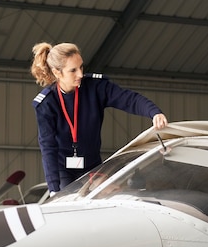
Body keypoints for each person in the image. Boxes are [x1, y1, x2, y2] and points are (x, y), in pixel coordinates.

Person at [31, 42, 168, 195]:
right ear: (57, 72)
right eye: (73, 71)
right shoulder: (46, 103)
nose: (80, 75)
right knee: (69, 202)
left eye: (81, 67)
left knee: (110, 196)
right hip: (64, 170)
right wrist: (53, 189)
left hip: (93, 166)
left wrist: (154, 112)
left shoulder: (95, 87)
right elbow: (48, 147)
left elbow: (129, 99)